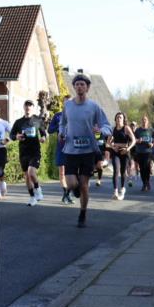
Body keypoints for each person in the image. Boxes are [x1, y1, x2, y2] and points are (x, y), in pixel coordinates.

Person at [59, 70, 112, 227]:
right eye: (77, 84)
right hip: (70, 150)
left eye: (82, 84)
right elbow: (62, 123)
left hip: (88, 151)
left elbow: (107, 125)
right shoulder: (67, 105)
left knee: (83, 185)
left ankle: (82, 213)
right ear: (74, 87)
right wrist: (62, 132)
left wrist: (101, 131)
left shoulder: (94, 107)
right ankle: (74, 190)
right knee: (72, 183)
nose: (79, 87)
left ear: (87, 88)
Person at [10, 100, 47, 206]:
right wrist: (16, 137)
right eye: (26, 105)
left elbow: (44, 133)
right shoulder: (18, 122)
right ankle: (32, 197)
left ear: (33, 108)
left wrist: (43, 138)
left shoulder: (38, 120)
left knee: (31, 172)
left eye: (30, 106)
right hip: (23, 152)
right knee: (27, 176)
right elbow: (12, 135)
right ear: (24, 107)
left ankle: (38, 190)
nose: (28, 107)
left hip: (35, 151)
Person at [48, 96, 74, 204]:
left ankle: (67, 194)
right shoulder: (57, 116)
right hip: (61, 147)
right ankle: (66, 194)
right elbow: (49, 130)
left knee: (72, 174)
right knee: (62, 173)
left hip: (73, 149)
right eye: (65, 102)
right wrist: (58, 127)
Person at [108, 112, 135, 201]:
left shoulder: (126, 128)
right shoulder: (113, 129)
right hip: (116, 152)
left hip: (125, 152)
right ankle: (115, 191)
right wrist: (113, 147)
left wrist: (128, 149)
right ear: (115, 119)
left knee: (123, 172)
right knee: (116, 170)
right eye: (117, 117)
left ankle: (122, 189)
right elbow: (108, 141)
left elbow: (134, 140)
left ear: (123, 119)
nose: (119, 119)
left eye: (120, 117)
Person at [133, 115, 154, 191]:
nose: (144, 121)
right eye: (143, 120)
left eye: (145, 120)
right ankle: (144, 183)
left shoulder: (151, 130)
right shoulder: (138, 130)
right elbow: (133, 139)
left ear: (148, 121)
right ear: (141, 121)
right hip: (140, 151)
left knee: (147, 167)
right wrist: (137, 140)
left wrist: (153, 144)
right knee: (142, 168)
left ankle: (147, 182)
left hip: (148, 151)